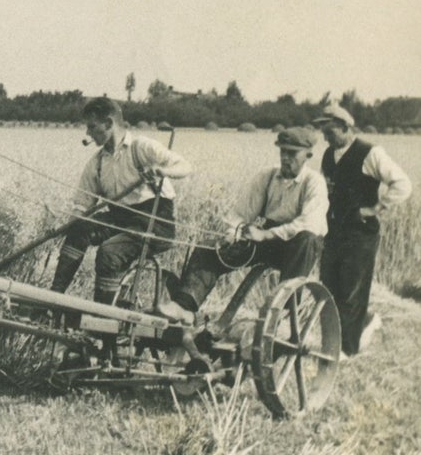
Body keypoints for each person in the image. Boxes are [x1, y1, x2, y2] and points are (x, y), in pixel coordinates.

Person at [158, 127, 328, 324]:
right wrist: (233, 232)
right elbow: (240, 214)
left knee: (306, 239)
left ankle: (285, 317)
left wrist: (266, 235)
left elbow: (309, 223)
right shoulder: (267, 176)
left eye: (292, 153)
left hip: (299, 245)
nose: (285, 158)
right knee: (209, 249)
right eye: (283, 151)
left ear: (308, 155)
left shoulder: (314, 182)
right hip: (267, 243)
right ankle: (184, 307)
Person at [47, 97, 192, 308]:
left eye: (92, 127)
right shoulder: (97, 163)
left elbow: (185, 166)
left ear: (108, 123)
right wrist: (67, 225)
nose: (87, 133)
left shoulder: (141, 147)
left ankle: (101, 316)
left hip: (154, 223)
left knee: (109, 252)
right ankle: (53, 299)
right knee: (79, 228)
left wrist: (162, 171)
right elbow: (82, 205)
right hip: (120, 219)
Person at [314, 103, 412, 356]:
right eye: (323, 132)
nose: (325, 137)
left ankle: (346, 351)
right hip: (334, 232)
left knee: (351, 291)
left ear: (345, 127)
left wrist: (375, 208)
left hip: (360, 233)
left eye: (330, 132)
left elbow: (402, 184)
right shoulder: (328, 156)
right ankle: (347, 334)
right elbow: (324, 191)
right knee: (329, 287)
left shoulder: (370, 153)